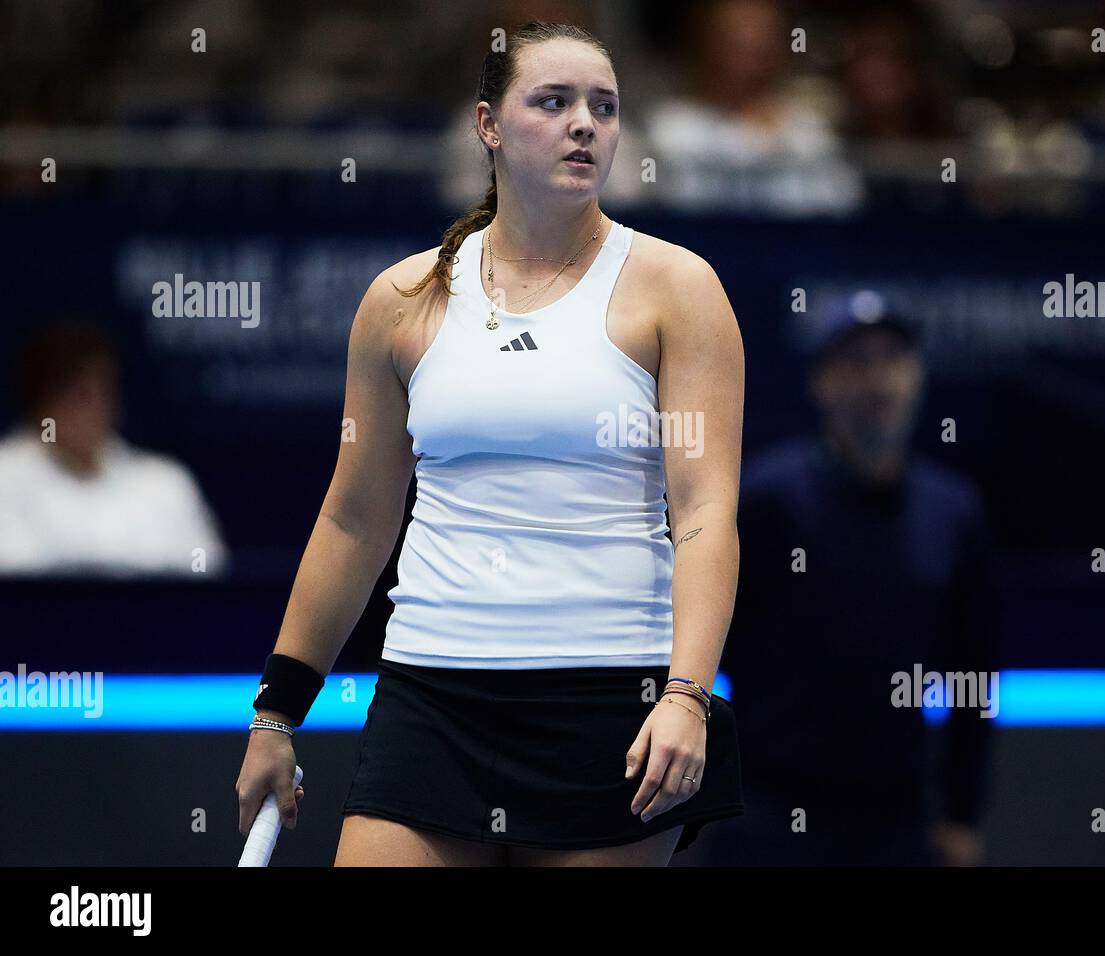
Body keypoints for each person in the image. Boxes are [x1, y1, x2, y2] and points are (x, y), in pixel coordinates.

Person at [234, 20, 747, 867]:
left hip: (613, 702)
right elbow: (355, 521)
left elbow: (703, 510)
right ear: (489, 126)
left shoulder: (678, 289)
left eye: (605, 107)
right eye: (554, 101)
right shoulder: (402, 299)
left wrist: (687, 695)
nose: (586, 123)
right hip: (431, 697)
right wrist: (275, 714)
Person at [699, 295, 997, 865]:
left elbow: (974, 674)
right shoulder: (766, 499)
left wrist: (962, 814)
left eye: (893, 361)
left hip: (898, 818)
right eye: (857, 363)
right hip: (770, 813)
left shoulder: (954, 513)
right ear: (822, 383)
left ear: (917, 378)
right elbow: (701, 645)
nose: (878, 381)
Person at [0, 320, 228, 577]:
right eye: (77, 394)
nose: (91, 409)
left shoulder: (166, 483)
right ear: (40, 402)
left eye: (102, 392)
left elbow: (206, 579)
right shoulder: (5, 476)